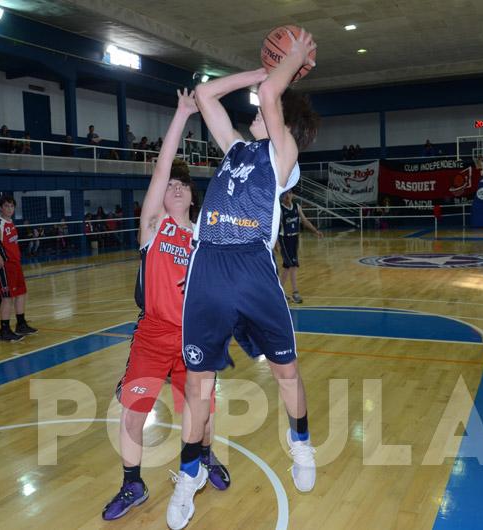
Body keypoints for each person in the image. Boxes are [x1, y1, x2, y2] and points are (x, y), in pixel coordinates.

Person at [166, 28, 319, 530]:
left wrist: (287, 64)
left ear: (286, 127)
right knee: (197, 382)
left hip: (252, 266)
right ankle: (188, 474)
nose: (254, 110)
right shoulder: (234, 148)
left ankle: (300, 443)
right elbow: (207, 94)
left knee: (286, 371)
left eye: (263, 109)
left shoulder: (283, 160)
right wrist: (263, 68)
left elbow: (272, 97)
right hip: (209, 262)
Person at [102, 89, 230, 522]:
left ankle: (204, 458)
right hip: (154, 335)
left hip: (196, 340)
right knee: (132, 416)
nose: (173, 187)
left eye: (181, 186)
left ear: (193, 197)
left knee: (202, 418)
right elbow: (162, 166)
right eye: (168, 186)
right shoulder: (154, 229)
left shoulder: (205, 237)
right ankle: (132, 483)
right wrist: (180, 113)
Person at [0, 195, 37, 341]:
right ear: (1, 207)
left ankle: (21, 324)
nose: (9, 209)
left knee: (21, 293)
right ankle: (4, 330)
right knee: (7, 298)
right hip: (4, 266)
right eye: (6, 206)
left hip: (15, 264)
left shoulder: (10, 223)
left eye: (11, 206)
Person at [277, 190, 323, 303]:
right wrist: (276, 243)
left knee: (288, 267)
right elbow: (275, 226)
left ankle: (279, 293)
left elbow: (305, 221)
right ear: (282, 197)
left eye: (289, 193)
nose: (287, 196)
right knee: (292, 265)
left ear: (292, 195)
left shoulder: (297, 207)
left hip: (295, 239)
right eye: (285, 194)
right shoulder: (280, 209)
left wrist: (315, 231)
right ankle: (295, 292)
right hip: (284, 239)